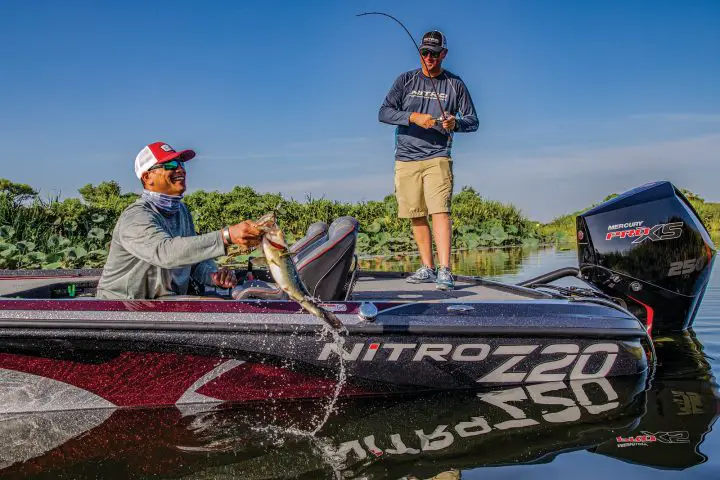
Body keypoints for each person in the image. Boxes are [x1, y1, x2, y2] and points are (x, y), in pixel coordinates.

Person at [96, 141, 263, 300]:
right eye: (170, 165)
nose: (180, 170)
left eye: (181, 164)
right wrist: (226, 236)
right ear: (148, 177)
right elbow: (165, 253)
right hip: (121, 308)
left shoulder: (181, 211)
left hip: (164, 303)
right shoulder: (135, 216)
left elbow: (193, 264)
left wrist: (213, 276)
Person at [379, 30, 478, 290]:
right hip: (406, 158)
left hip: (438, 157)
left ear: (443, 54)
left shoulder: (455, 84)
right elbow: (384, 112)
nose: (429, 57)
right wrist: (412, 117)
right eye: (425, 52)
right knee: (416, 213)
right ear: (420, 53)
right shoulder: (405, 80)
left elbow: (473, 121)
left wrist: (454, 122)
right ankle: (428, 267)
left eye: (434, 53)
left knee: (440, 211)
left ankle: (445, 270)